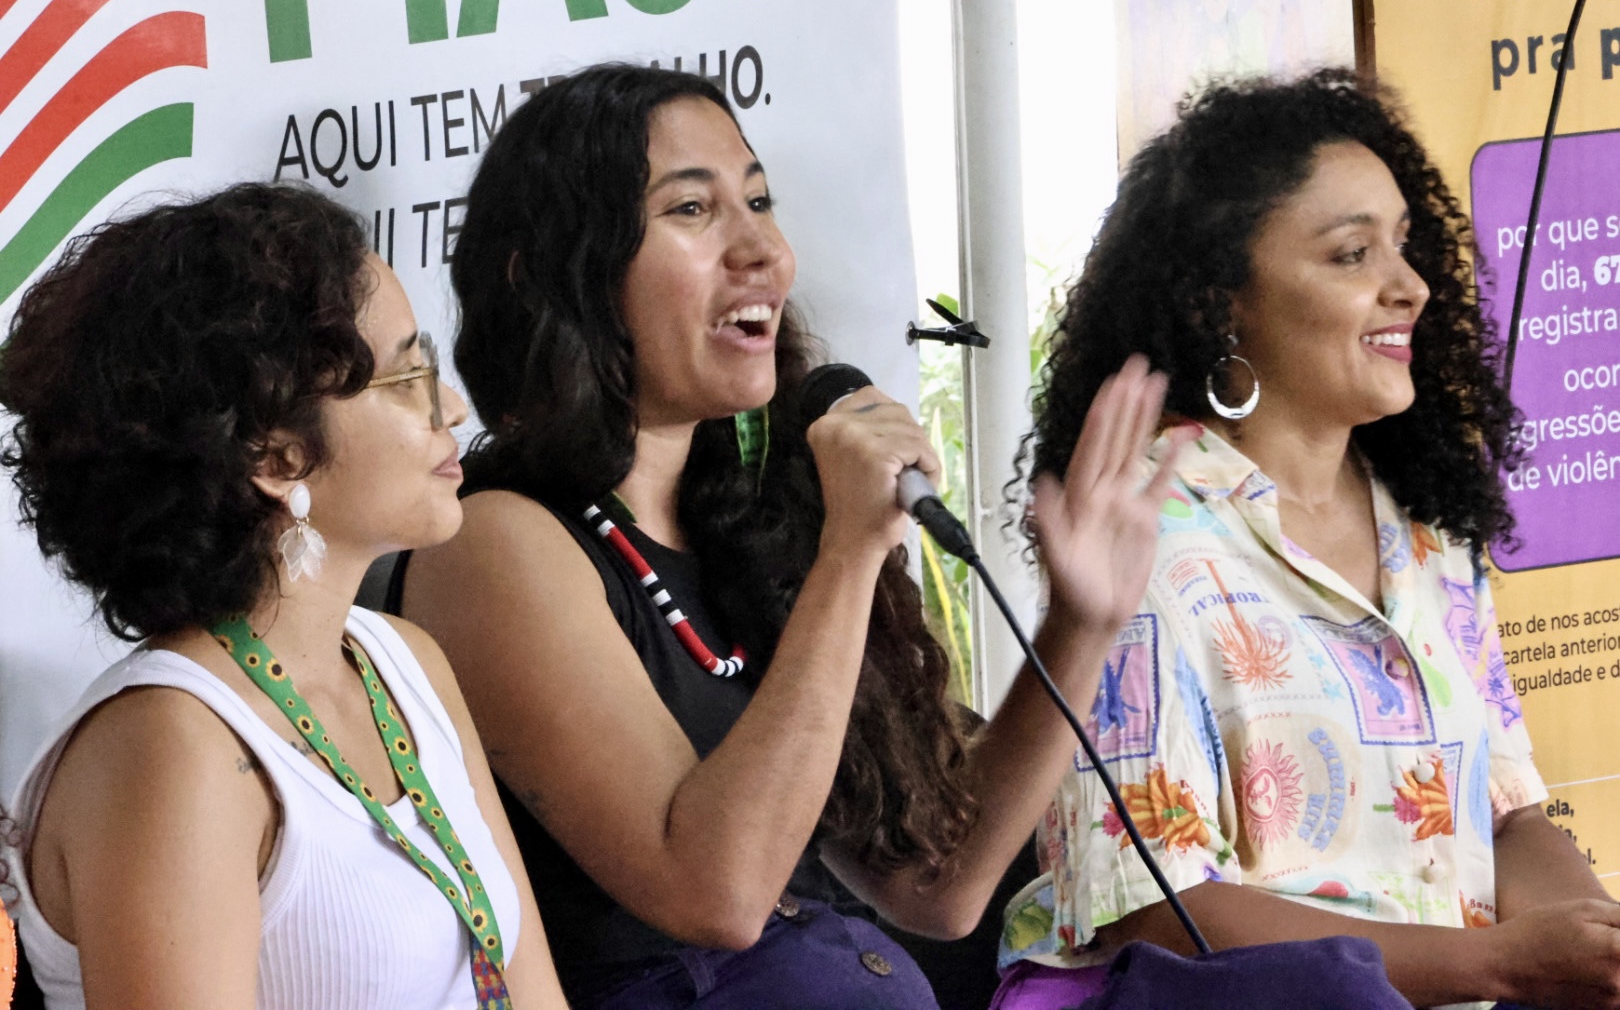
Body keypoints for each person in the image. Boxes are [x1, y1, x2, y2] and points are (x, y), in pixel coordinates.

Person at [394, 62, 1189, 1008]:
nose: (764, 252)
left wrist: (1080, 625)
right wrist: (850, 554)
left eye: (760, 201)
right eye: (692, 210)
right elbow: (718, 894)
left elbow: (939, 887)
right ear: (558, 276)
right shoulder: (497, 544)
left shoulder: (751, 527)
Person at [995, 68, 1620, 1009]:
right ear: (1223, 302)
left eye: (1403, 245)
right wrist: (1498, 964)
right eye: (1352, 254)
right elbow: (1156, 912)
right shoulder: (1142, 529)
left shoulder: (1425, 527)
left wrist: (1595, 945)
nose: (1410, 286)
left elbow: (1509, 816)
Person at [0, 185, 567, 1010]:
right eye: (406, 376)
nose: (450, 407)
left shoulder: (403, 660)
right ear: (275, 458)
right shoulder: (170, 749)